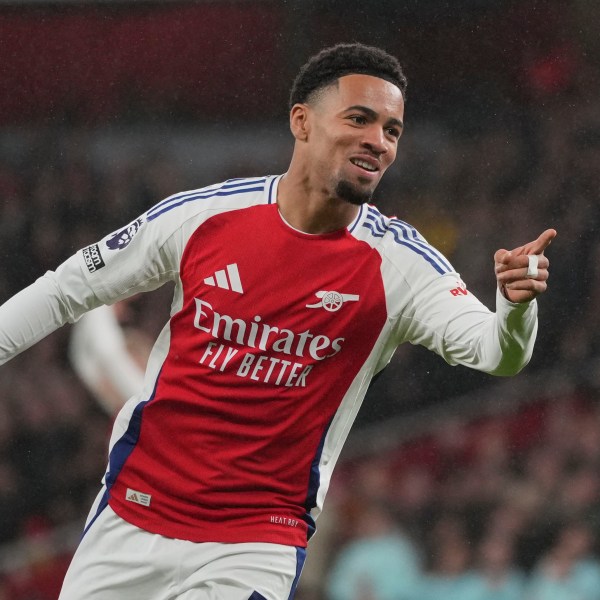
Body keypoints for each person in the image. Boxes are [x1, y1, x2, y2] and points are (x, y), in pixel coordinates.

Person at [0, 42, 555, 600]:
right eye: (360, 119)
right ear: (302, 122)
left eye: (392, 131)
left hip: (255, 543)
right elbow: (64, 290)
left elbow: (498, 354)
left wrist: (515, 306)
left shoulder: (401, 267)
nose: (378, 142)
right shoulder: (205, 217)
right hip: (132, 513)